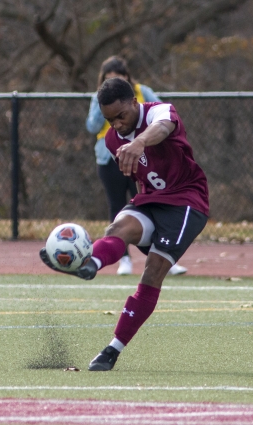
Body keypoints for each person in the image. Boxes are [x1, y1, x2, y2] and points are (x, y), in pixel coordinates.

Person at [40, 77, 209, 371]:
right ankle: (89, 264)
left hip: (186, 201)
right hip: (152, 199)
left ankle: (111, 350)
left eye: (121, 116)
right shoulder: (111, 140)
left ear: (134, 102)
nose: (116, 124)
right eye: (110, 120)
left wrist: (140, 141)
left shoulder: (159, 112)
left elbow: (163, 127)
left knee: (153, 270)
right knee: (117, 229)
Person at [86, 55, 187, 276]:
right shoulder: (100, 99)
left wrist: (142, 140)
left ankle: (165, 255)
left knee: (147, 204)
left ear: (126, 78)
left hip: (144, 158)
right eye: (107, 79)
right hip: (109, 158)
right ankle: (123, 259)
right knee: (118, 208)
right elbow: (92, 126)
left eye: (117, 78)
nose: (112, 83)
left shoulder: (142, 92)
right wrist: (105, 110)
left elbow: (165, 114)